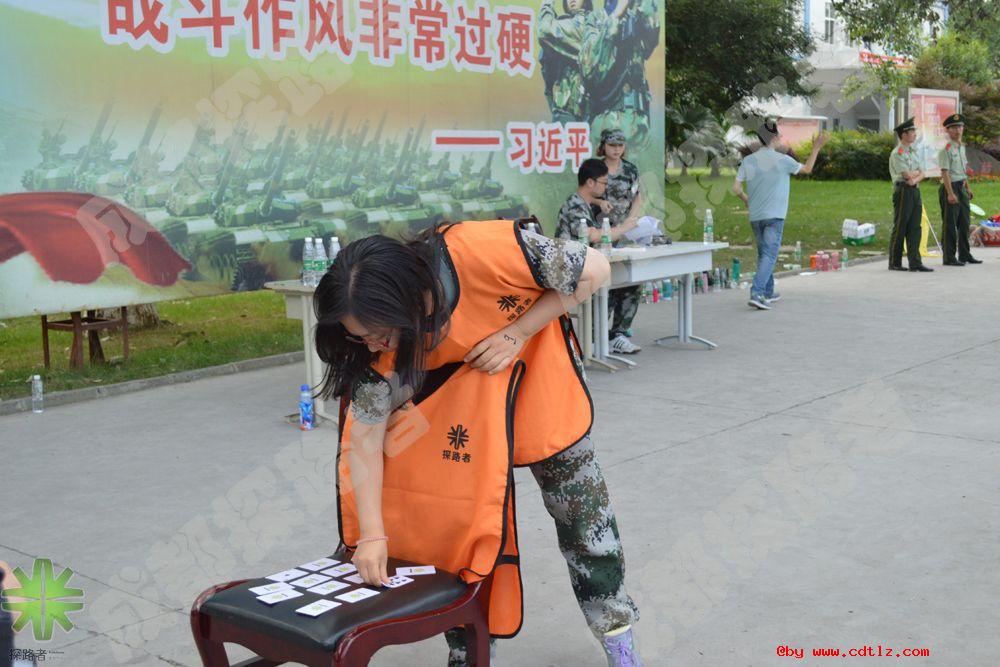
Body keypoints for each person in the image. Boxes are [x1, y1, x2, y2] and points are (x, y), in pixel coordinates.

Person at [314, 220, 643, 667]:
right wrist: (372, 536)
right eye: (357, 334)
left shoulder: (483, 251)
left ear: (408, 299)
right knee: (456, 533)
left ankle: (616, 633)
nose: (371, 343)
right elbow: (366, 440)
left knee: (586, 520)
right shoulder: (378, 351)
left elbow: (596, 269)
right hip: (460, 410)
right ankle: (469, 651)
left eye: (378, 331)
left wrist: (518, 332)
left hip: (540, 382)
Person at [732, 120, 828, 310]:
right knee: (769, 254)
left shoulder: (748, 160)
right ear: (774, 138)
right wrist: (816, 148)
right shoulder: (782, 160)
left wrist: (745, 199)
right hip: (774, 216)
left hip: (756, 216)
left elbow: (735, 188)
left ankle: (768, 292)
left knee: (764, 254)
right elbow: (807, 169)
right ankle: (757, 292)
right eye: (780, 135)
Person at [555, 158, 642, 354]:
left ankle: (615, 336)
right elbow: (592, 235)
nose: (606, 187)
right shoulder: (575, 205)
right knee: (606, 284)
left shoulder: (584, 204)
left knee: (630, 283)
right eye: (603, 182)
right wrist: (624, 228)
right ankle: (592, 341)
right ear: (590, 182)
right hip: (572, 271)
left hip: (586, 266)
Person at [600, 128, 644, 353]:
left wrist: (631, 220)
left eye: (620, 145)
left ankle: (619, 333)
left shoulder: (630, 169)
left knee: (631, 281)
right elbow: (585, 195)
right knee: (605, 283)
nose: (616, 150)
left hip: (626, 233)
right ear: (603, 146)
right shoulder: (595, 168)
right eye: (612, 145)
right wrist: (599, 204)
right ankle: (597, 334)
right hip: (601, 234)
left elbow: (637, 198)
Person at [888, 117, 933, 273]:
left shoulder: (913, 152)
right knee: (901, 226)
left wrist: (915, 178)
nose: (915, 134)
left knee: (915, 227)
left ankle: (915, 262)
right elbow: (906, 175)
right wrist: (914, 175)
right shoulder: (898, 153)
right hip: (903, 191)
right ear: (904, 134)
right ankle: (895, 262)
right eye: (912, 131)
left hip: (914, 190)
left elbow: (923, 173)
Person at [938, 113, 982, 267]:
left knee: (964, 222)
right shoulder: (946, 150)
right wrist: (950, 193)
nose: (958, 130)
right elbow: (945, 173)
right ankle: (949, 257)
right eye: (954, 127)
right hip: (950, 188)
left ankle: (964, 254)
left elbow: (963, 170)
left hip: (961, 187)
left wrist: (968, 188)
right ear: (948, 130)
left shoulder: (961, 148)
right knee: (950, 224)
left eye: (960, 127)